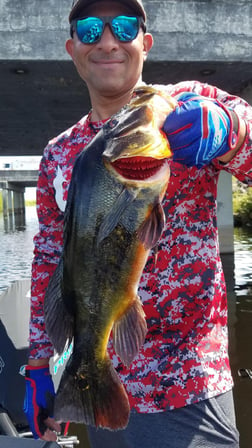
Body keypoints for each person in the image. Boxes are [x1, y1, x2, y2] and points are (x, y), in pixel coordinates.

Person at [23, 0, 252, 446]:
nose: (108, 41)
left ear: (144, 43)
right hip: (100, 380)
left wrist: (232, 132)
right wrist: (39, 361)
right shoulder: (57, 153)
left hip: (187, 383)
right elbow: (50, 259)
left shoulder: (184, 104)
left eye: (124, 27)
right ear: (73, 49)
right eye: (90, 30)